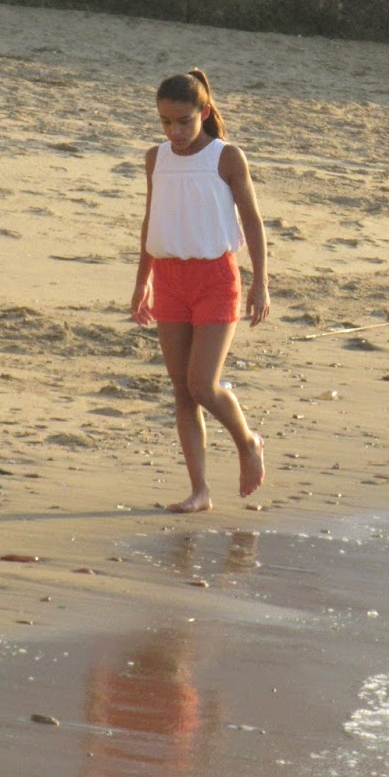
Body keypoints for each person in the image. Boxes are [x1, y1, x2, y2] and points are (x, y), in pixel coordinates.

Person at [131, 68, 268, 512]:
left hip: (216, 279)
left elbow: (253, 222)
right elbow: (151, 220)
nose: (174, 131)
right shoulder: (156, 158)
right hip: (169, 279)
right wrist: (142, 282)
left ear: (204, 113)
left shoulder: (226, 157)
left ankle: (247, 442)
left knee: (203, 385)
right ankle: (200, 490)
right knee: (181, 391)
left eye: (184, 121)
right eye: (165, 122)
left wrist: (261, 283)